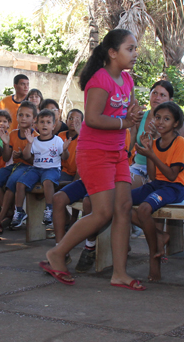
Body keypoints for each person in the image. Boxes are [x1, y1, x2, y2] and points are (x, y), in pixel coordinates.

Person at [40, 29, 144, 290]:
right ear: (112, 52)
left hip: (118, 153)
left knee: (122, 209)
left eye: (135, 49)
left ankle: (119, 273)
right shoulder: (100, 79)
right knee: (103, 212)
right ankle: (57, 252)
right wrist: (124, 121)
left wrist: (134, 113)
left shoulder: (127, 81)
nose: (135, 54)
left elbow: (129, 112)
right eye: (129, 49)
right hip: (95, 152)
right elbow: (94, 119)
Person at [131, 102, 184, 282]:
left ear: (176, 124)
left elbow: (172, 176)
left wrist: (152, 154)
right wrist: (149, 151)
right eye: (157, 118)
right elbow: (152, 174)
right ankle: (159, 237)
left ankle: (155, 253)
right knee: (120, 201)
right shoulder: (155, 142)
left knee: (143, 209)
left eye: (166, 119)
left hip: (175, 187)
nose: (160, 122)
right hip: (158, 184)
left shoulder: (180, 143)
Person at [11, 109, 71, 228]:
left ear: (53, 126)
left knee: (47, 181)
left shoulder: (57, 140)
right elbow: (27, 156)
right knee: (19, 183)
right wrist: (29, 143)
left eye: (48, 122)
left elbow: (65, 157)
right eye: (42, 122)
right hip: (36, 169)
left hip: (52, 169)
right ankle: (19, 212)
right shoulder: (34, 140)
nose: (45, 125)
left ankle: (49, 210)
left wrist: (65, 149)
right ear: (36, 125)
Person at [0, 101, 37, 233]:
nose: (23, 118)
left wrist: (23, 156)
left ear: (34, 119)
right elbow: (6, 158)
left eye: (27, 116)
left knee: (13, 180)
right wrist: (6, 144)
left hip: (29, 168)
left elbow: (36, 162)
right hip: (15, 165)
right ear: (16, 117)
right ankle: (9, 211)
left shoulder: (37, 137)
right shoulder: (12, 134)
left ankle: (1, 217)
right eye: (21, 115)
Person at [59, 109, 82, 184]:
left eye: (77, 119)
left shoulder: (83, 138)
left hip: (80, 173)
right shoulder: (61, 136)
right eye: (71, 118)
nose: (73, 121)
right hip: (65, 171)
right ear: (66, 121)